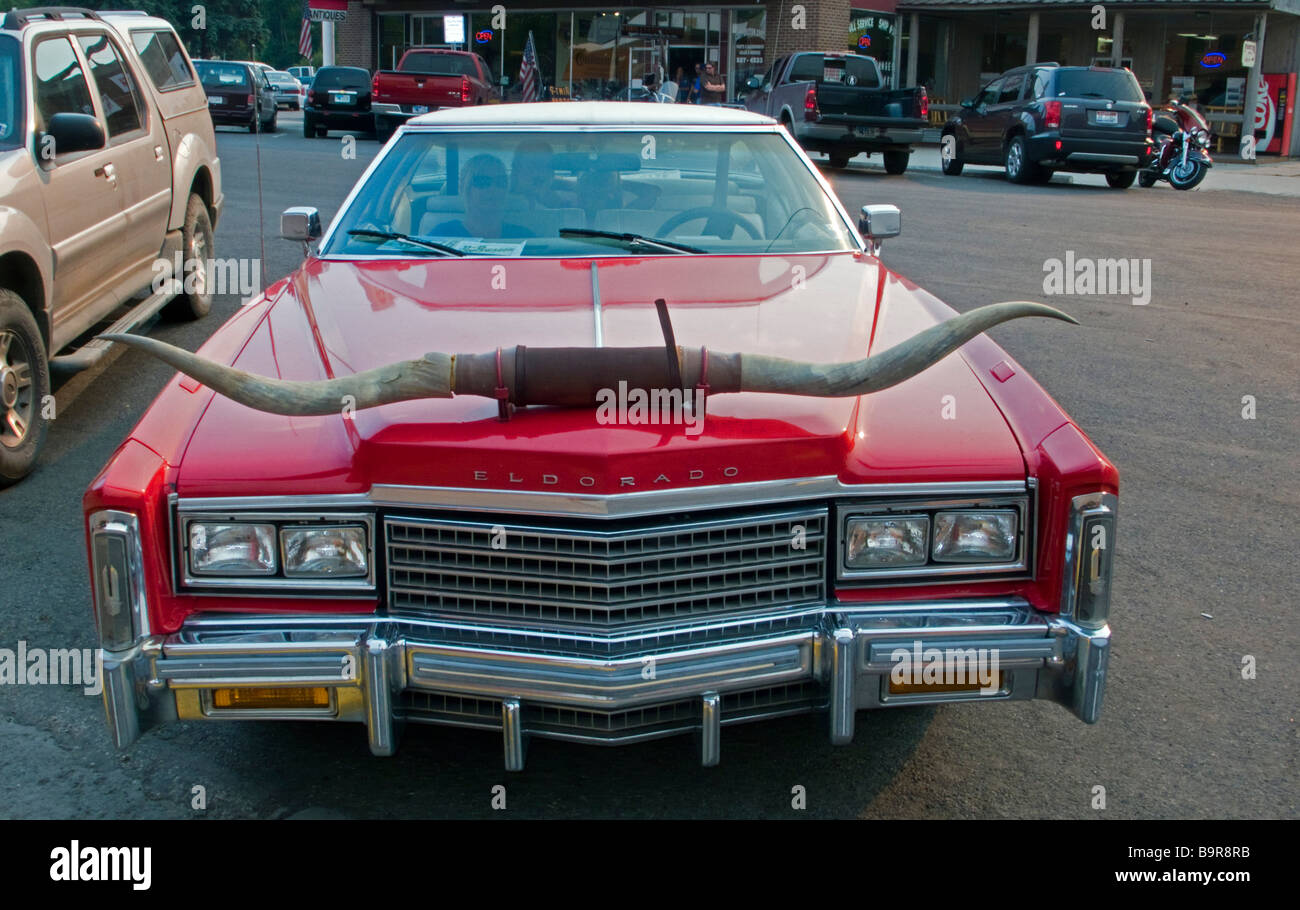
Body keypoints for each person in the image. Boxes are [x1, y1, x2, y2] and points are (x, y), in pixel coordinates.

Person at [429, 154, 533, 239]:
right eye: (483, 182)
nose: (493, 189)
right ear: (465, 188)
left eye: (500, 182)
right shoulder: (441, 235)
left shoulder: (524, 236)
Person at [509, 140, 574, 208]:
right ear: (516, 170)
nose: (539, 174)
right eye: (533, 166)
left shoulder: (565, 207)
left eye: (547, 167)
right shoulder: (501, 204)